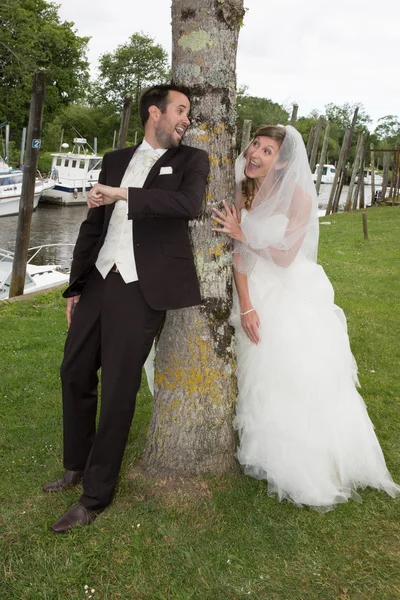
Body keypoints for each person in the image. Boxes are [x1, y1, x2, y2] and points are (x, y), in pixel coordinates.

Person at [43, 84, 209, 532]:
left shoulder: (192, 160)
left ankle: (95, 496)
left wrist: (121, 195)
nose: (185, 120)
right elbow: (92, 227)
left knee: (118, 388)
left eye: (188, 113)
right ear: (154, 112)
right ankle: (75, 463)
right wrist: (75, 288)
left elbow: (187, 205)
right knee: (74, 371)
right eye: (180, 111)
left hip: (142, 287)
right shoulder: (116, 159)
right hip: (98, 279)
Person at [212, 124, 400, 511]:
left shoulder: (298, 197)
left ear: (281, 162)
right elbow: (237, 253)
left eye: (267, 151)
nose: (256, 155)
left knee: (289, 372)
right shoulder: (240, 188)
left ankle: (303, 460)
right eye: (256, 146)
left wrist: (241, 235)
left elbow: (283, 256)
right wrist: (245, 304)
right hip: (251, 288)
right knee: (254, 370)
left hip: (287, 287)